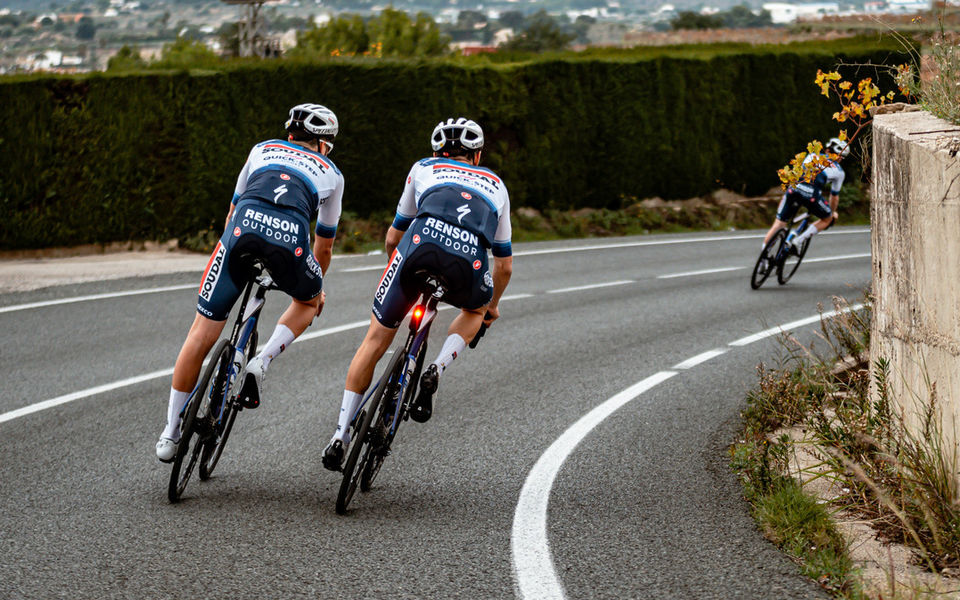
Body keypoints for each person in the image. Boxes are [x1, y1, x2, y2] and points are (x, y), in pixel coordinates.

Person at [321, 117, 513, 470]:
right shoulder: (496, 185)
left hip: (418, 250)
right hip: (467, 264)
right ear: (477, 155)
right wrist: (492, 307)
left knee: (375, 340)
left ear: (437, 150)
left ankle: (339, 435)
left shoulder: (424, 167)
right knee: (474, 311)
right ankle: (437, 367)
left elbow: (394, 237)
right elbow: (504, 267)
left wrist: (395, 268)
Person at [156, 103, 344, 462]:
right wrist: (316, 287)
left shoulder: (261, 149)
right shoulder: (332, 173)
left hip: (242, 232)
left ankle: (170, 433)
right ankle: (262, 360)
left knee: (200, 334)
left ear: (289, 134)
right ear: (322, 144)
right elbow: (324, 245)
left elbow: (232, 211)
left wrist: (231, 253)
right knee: (308, 302)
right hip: (289, 243)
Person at [761, 137, 848, 255]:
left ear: (827, 150)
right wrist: (832, 212)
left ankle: (763, 259)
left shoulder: (812, 155)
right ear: (841, 157)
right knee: (827, 219)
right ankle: (798, 241)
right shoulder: (840, 172)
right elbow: (834, 197)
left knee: (779, 224)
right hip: (811, 196)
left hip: (793, 189)